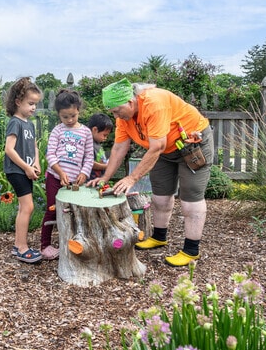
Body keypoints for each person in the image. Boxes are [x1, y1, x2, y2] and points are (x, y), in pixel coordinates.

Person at [87, 78, 213, 267]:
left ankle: (191, 250)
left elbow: (157, 146)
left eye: (116, 110)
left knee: (190, 198)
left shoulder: (154, 104)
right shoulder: (124, 118)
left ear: (129, 102)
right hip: (163, 150)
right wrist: (105, 178)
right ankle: (159, 237)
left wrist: (132, 178)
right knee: (160, 196)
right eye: (112, 112)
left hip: (192, 146)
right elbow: (119, 148)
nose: (115, 116)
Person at [41, 89, 95, 260]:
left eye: (73, 116)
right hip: (55, 178)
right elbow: (50, 155)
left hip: (75, 183)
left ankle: (74, 242)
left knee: (74, 212)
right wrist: (60, 172)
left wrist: (84, 173)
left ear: (79, 110)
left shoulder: (86, 132)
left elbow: (89, 157)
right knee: (52, 209)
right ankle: (45, 245)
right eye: (65, 117)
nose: (70, 120)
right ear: (59, 115)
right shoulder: (57, 131)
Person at [4, 77, 43, 263]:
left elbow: (33, 146)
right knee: (28, 207)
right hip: (16, 170)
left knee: (23, 207)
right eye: (30, 103)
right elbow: (9, 149)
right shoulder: (15, 122)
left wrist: (36, 164)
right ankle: (22, 247)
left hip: (26, 169)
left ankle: (18, 245)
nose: (34, 108)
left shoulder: (29, 124)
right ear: (18, 102)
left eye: (35, 104)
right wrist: (27, 167)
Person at [87, 113, 113, 180]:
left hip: (98, 180)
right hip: (89, 181)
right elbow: (89, 163)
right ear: (95, 130)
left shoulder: (97, 143)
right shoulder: (88, 143)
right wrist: (106, 166)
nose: (106, 138)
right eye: (104, 135)